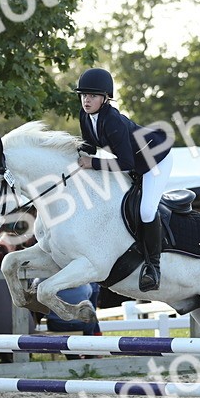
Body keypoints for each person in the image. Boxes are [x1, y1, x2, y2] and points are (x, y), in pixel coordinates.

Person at [73, 67, 173, 291]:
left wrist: (93, 163)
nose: (86, 100)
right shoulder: (85, 116)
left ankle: (153, 266)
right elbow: (89, 145)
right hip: (135, 162)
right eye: (84, 95)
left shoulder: (113, 121)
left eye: (93, 96)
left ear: (105, 98)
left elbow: (125, 163)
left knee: (146, 210)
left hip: (156, 159)